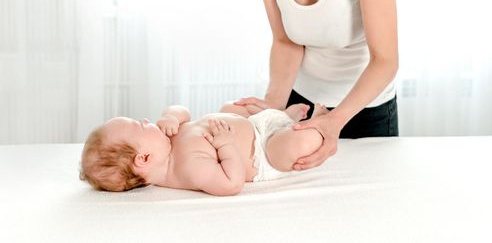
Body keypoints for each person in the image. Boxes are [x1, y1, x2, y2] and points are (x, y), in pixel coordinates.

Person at [199, 0, 399, 171]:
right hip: (301, 104)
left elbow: (386, 61)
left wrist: (334, 120)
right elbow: (286, 42)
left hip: (366, 108)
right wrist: (273, 104)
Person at [80, 103, 329, 196]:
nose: (148, 121)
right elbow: (231, 183)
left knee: (230, 107)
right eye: (140, 125)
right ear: (144, 158)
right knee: (300, 144)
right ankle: (302, 126)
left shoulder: (166, 135)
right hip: (264, 152)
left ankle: (282, 117)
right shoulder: (188, 168)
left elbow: (183, 110)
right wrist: (226, 146)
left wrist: (171, 116)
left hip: (255, 124)